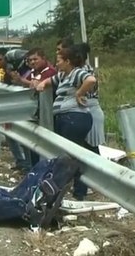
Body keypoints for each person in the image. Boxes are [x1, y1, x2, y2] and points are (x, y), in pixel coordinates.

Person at [36, 45, 98, 200]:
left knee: (72, 157)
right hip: (67, 119)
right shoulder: (64, 75)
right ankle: (71, 189)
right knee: (70, 156)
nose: (56, 64)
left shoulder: (77, 72)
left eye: (59, 61)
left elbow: (91, 80)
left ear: (68, 61)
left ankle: (78, 191)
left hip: (75, 118)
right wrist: (43, 84)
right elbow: (50, 80)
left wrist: (79, 92)